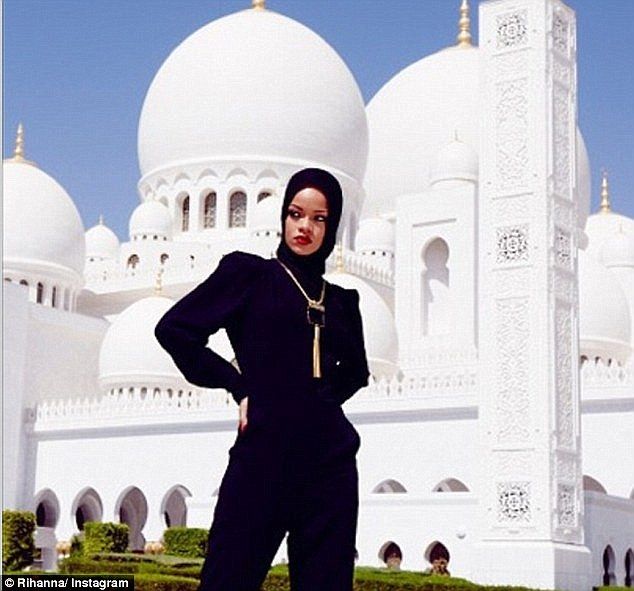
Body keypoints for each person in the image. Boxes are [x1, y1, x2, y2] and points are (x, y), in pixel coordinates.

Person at [154, 167, 370, 591]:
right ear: (284, 217)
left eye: (319, 218)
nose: (304, 226)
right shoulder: (249, 277)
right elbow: (175, 330)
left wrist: (317, 404)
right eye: (296, 213)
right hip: (263, 460)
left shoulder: (343, 302)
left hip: (330, 469)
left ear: (332, 225)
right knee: (226, 580)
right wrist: (240, 386)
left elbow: (357, 372)